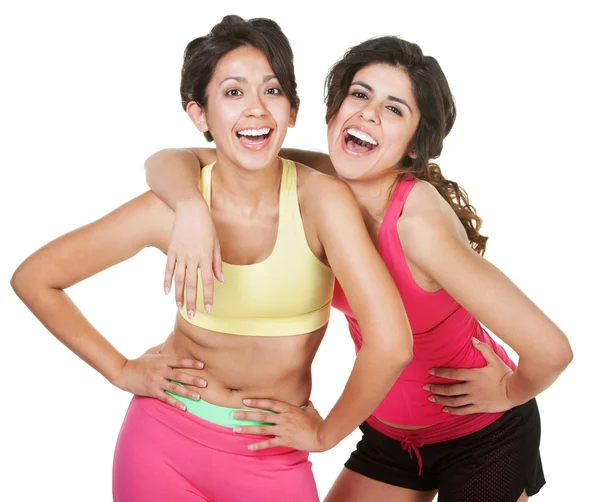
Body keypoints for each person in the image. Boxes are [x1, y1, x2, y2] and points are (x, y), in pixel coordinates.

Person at [145, 35, 573, 501]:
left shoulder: (418, 226)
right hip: (392, 438)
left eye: (394, 109)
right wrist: (188, 206)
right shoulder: (315, 183)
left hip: (483, 438)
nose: (369, 113)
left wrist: (509, 391)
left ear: (413, 147)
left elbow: (551, 350)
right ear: (333, 111)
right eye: (360, 94)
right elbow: (173, 159)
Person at [10, 17, 413, 502]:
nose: (257, 110)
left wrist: (326, 434)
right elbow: (35, 278)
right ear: (199, 115)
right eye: (233, 93)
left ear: (293, 110)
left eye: (273, 90)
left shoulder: (321, 202)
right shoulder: (171, 208)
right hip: (162, 444)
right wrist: (120, 370)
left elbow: (391, 342)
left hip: (272, 455)